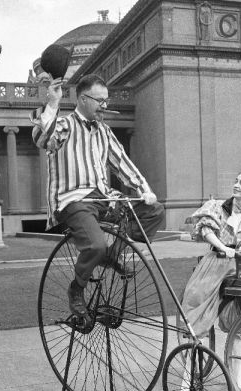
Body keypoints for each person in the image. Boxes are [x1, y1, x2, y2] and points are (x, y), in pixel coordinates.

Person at [30, 74, 165, 325]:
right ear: (83, 99)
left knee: (155, 211)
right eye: (100, 100)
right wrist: (52, 104)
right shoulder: (64, 125)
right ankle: (77, 288)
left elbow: (123, 164)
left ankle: (112, 255)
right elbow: (42, 140)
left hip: (103, 199)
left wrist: (144, 190)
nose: (105, 105)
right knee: (94, 246)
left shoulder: (104, 131)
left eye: (106, 99)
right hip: (73, 200)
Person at [179, 169, 241, 391]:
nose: (237, 185)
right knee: (197, 314)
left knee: (240, 322)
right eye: (236, 181)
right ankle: (188, 377)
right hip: (213, 264)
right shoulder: (217, 207)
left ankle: (238, 378)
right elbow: (206, 230)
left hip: (238, 267)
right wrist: (222, 247)